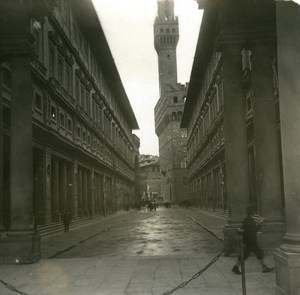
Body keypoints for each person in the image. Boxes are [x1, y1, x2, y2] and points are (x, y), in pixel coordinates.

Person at [232, 205, 274, 274]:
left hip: (250, 241)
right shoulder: (249, 220)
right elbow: (253, 230)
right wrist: (260, 224)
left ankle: (264, 267)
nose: (255, 212)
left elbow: (253, 229)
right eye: (253, 211)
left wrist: (260, 224)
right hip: (251, 242)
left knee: (256, 254)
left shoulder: (248, 219)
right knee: (248, 255)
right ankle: (236, 267)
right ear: (252, 212)